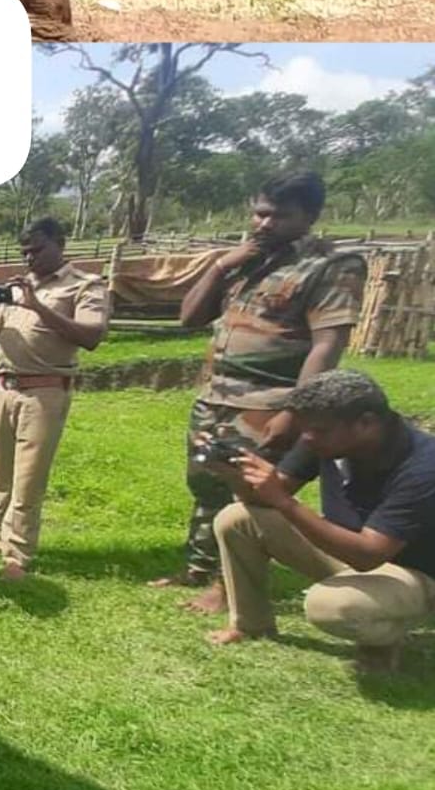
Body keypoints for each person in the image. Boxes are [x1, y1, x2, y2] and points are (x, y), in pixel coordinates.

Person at [151, 172, 363, 613]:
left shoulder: (329, 267)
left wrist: (297, 411)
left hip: (269, 403)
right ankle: (199, 569)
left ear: (310, 216)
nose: (265, 224)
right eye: (260, 213)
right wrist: (221, 266)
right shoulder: (247, 262)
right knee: (207, 487)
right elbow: (189, 318)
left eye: (280, 216)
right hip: (216, 399)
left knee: (248, 498)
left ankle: (228, 589)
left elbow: (326, 346)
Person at [202, 371, 435, 674]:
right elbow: (266, 497)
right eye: (306, 429)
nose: (308, 437)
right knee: (238, 519)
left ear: (366, 423)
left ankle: (382, 639)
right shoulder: (324, 439)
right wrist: (234, 474)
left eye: (319, 430)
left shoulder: (424, 467)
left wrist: (284, 502)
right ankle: (251, 624)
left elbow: (368, 555)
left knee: (332, 605)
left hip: (414, 575)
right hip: (352, 552)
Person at [0, 217, 110, 582]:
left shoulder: (83, 285)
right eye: (25, 252)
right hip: (4, 386)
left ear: (60, 244)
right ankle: (1, 537)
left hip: (44, 390)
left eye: (37, 250)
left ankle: (18, 553)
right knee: (1, 475)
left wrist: (37, 307)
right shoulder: (18, 287)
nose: (29, 258)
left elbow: (92, 336)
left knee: (28, 479)